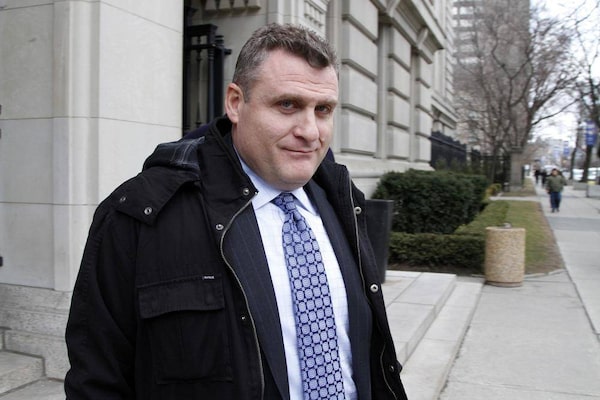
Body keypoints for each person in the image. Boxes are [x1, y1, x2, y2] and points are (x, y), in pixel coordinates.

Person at [64, 23, 408, 400]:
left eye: (322, 109)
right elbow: (97, 380)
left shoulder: (342, 199)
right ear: (235, 103)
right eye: (287, 105)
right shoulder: (138, 215)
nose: (310, 131)